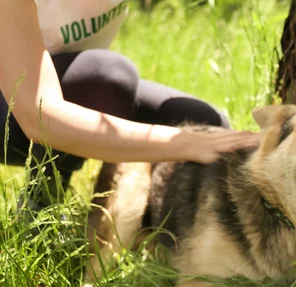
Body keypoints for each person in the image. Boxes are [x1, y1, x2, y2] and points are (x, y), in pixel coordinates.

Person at [0, 0, 260, 210]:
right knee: (107, 78)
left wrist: (197, 138)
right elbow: (39, 117)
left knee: (204, 123)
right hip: (17, 104)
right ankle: (41, 205)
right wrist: (187, 143)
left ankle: (126, 219)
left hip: (73, 82)